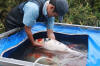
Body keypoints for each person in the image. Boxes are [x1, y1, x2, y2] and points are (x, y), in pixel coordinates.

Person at [4, 0, 68, 47]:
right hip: (13, 22)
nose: (54, 17)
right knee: (14, 43)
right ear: (51, 8)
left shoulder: (51, 13)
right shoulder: (33, 8)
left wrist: (54, 45)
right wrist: (34, 43)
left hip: (24, 23)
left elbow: (50, 33)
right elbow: (27, 29)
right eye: (55, 15)